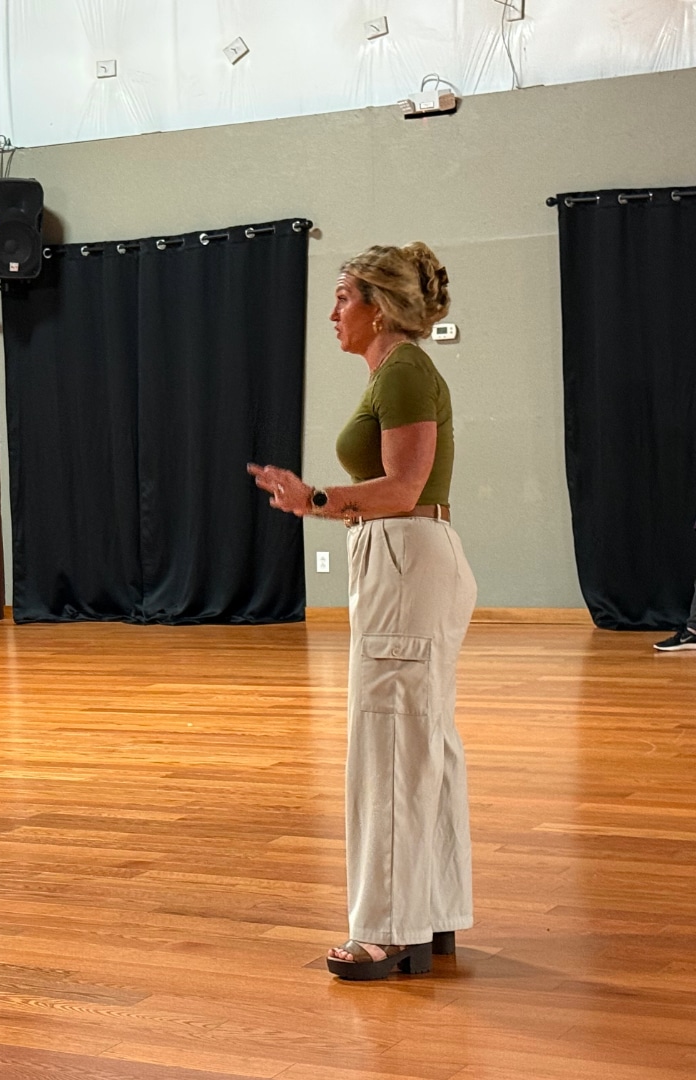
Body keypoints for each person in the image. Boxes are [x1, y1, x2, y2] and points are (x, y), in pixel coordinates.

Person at [248, 242, 477, 981]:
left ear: (379, 307)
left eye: (344, 296)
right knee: (421, 739)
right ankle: (430, 911)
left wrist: (315, 498)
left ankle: (385, 930)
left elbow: (404, 487)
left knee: (390, 744)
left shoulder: (405, 369)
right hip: (406, 559)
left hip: (406, 558)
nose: (333, 312)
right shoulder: (396, 372)